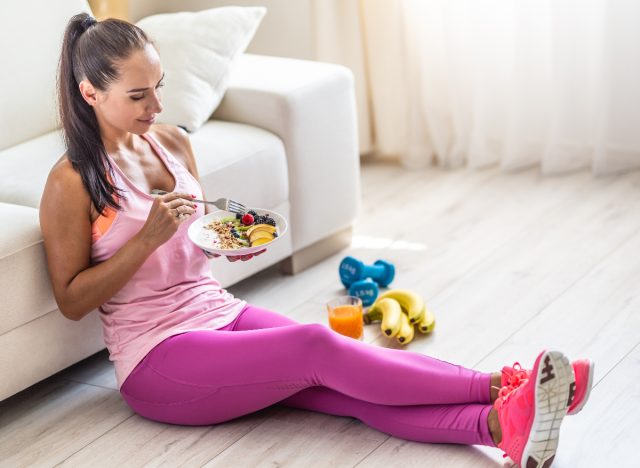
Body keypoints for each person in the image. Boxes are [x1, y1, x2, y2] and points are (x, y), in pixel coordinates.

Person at [40, 13, 594, 468]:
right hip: (156, 358)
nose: (156, 108)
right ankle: (505, 385)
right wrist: (143, 241)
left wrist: (229, 241)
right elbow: (70, 300)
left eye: (158, 89)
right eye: (138, 96)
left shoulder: (171, 145)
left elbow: (195, 238)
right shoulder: (71, 183)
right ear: (90, 92)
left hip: (215, 310)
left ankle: (500, 425)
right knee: (316, 346)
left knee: (341, 385)